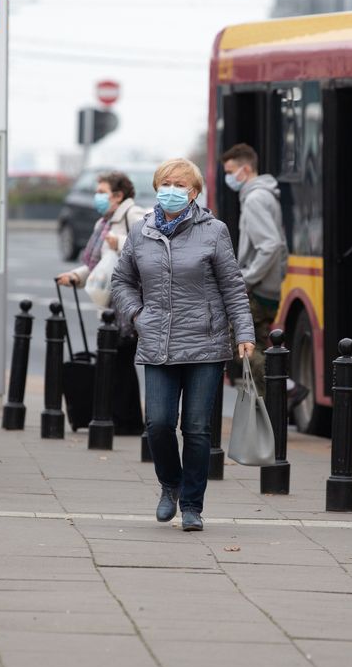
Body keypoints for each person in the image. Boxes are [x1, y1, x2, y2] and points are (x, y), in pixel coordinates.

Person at [111, 158, 254, 532]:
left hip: (205, 343)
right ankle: (169, 484)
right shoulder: (141, 233)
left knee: (197, 428)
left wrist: (244, 333)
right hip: (157, 340)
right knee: (158, 424)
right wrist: (136, 316)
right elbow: (122, 280)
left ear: (193, 192)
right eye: (166, 182)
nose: (171, 189)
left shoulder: (214, 231)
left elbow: (233, 286)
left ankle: (191, 504)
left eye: (180, 184)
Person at [57, 170, 149, 435]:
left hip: (128, 302)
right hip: (111, 303)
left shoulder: (133, 216)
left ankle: (128, 420)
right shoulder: (103, 223)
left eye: (101, 192)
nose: (96, 197)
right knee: (116, 360)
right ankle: (122, 417)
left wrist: (120, 242)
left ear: (118, 195)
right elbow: (97, 265)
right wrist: (76, 275)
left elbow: (149, 246)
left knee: (121, 359)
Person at [219, 143, 307, 408]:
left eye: (231, 171)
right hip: (268, 286)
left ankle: (284, 388)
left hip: (256, 288)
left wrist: (246, 280)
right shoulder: (265, 195)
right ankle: (270, 405)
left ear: (245, 169)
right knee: (254, 341)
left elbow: (270, 245)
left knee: (240, 342)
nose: (229, 177)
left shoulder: (256, 199)